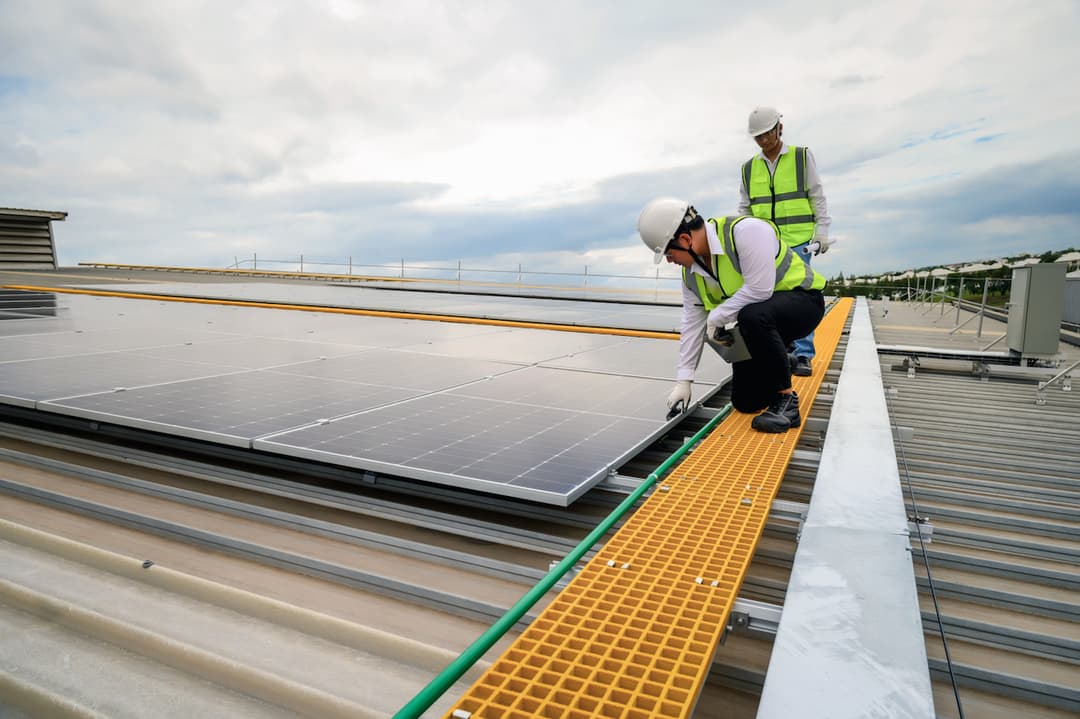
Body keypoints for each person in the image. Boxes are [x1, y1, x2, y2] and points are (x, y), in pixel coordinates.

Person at [638, 198, 826, 433]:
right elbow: (691, 325)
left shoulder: (746, 232)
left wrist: (716, 316)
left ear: (685, 239)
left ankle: (786, 401)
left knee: (751, 315)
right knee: (746, 403)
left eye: (668, 252)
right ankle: (782, 361)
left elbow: (760, 290)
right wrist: (684, 380)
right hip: (761, 325)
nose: (669, 260)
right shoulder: (691, 276)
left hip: (803, 305)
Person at [739, 106, 831, 377]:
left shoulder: (801, 157)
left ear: (779, 128)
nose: (764, 140)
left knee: (799, 297)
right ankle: (782, 350)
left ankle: (803, 355)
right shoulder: (748, 169)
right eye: (758, 137)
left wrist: (821, 231)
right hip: (765, 246)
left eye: (767, 134)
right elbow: (745, 209)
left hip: (798, 242)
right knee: (767, 298)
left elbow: (817, 195)